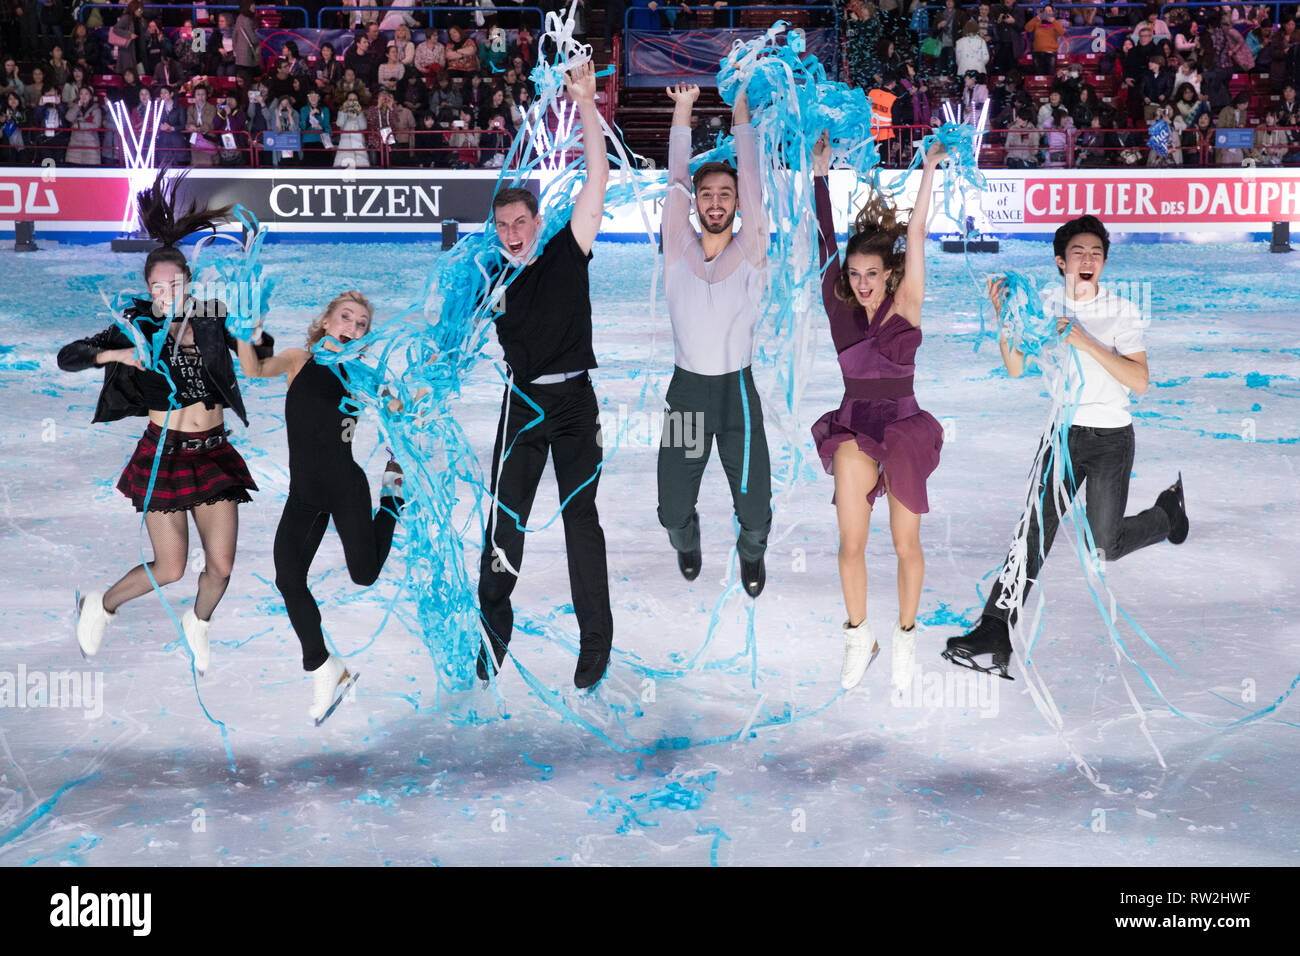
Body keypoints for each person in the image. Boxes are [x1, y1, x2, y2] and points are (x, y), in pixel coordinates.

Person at [943, 216, 1188, 679]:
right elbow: (1015, 368)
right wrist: (1005, 319)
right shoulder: (1043, 307)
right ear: (1060, 261)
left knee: (1106, 546)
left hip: (1112, 437)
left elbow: (1140, 381)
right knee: (1032, 534)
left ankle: (1167, 515)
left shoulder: (1122, 312)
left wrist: (1085, 339)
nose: (1088, 260)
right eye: (1078, 252)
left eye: (1096, 253)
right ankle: (995, 628)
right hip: (1061, 436)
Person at [59, 172, 271, 676]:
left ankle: (198, 623)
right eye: (157, 285)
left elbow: (258, 355)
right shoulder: (135, 323)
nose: (166, 292)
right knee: (172, 567)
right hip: (163, 454)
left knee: (220, 568)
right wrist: (119, 353)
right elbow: (69, 356)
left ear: (189, 283)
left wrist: (254, 332)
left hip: (215, 452)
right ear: (147, 288)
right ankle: (101, 605)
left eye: (175, 283)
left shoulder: (214, 317)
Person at [476, 61, 613, 689]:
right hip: (520, 407)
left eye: (519, 222)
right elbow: (444, 342)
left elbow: (597, 177)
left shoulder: (567, 250)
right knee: (504, 519)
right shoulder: (487, 279)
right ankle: (492, 634)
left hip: (574, 405)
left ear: (536, 221)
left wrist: (585, 102)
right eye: (502, 226)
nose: (510, 234)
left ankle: (596, 644)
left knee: (580, 519)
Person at [811, 131, 945, 693]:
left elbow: (915, 231)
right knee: (850, 544)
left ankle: (907, 637)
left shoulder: (907, 300)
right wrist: (818, 176)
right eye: (855, 275)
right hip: (855, 429)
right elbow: (821, 241)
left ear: (888, 274)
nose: (862, 284)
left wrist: (930, 169)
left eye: (872, 274)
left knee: (905, 544)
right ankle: (857, 636)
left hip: (904, 430)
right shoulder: (839, 309)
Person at [235, 291, 404, 723]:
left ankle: (392, 496)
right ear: (326, 321)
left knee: (364, 575)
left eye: (361, 323)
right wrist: (243, 331)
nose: (352, 326)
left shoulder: (362, 375)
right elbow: (253, 369)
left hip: (346, 486)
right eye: (345, 317)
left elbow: (399, 407)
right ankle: (325, 667)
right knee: (288, 577)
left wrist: (410, 398)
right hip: (304, 493)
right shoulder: (297, 360)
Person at [657, 83, 771, 596]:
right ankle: (688, 539)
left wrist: (740, 112)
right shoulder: (677, 249)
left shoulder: (751, 249)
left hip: (737, 397)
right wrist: (683, 111)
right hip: (687, 395)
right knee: (672, 504)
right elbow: (676, 179)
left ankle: (751, 554)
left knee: (754, 503)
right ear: (696, 204)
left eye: (726, 194)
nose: (717, 201)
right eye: (707, 194)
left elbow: (752, 180)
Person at [1025, 4, 1066, 76]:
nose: (1047, 13)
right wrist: (1037, 18)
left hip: (1051, 54)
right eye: (1045, 11)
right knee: (1038, 75)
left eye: (1049, 11)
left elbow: (1062, 32)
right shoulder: (1037, 23)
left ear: (1053, 13)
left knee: (1050, 76)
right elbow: (1027, 28)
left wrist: (1054, 21)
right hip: (1038, 53)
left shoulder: (1056, 23)